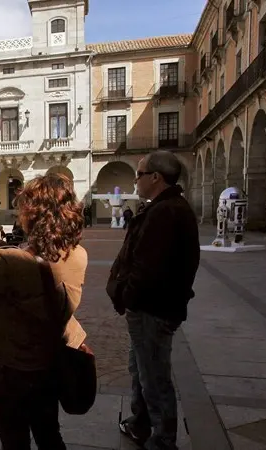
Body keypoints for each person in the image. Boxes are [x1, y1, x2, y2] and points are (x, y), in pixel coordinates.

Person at [0, 174, 90, 450]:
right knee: (49, 434)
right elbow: (30, 273)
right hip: (49, 362)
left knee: (14, 440)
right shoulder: (78, 254)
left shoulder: (11, 263)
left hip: (11, 367)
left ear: (34, 215)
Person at [108, 151, 199, 450]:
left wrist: (127, 296)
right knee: (140, 369)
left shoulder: (166, 212)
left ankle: (163, 440)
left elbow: (148, 269)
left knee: (154, 377)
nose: (135, 179)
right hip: (151, 307)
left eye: (139, 174)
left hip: (152, 309)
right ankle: (140, 423)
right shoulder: (166, 208)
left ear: (155, 177)